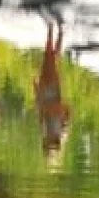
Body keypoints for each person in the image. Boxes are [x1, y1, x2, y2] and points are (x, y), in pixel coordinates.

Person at [35, 17, 71, 157]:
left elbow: (40, 111)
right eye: (52, 145)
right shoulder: (63, 131)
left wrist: (37, 89)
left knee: (50, 59)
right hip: (54, 94)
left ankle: (55, 31)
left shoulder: (44, 130)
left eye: (48, 144)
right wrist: (58, 109)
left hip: (45, 93)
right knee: (52, 60)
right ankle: (54, 30)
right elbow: (67, 112)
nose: (50, 141)